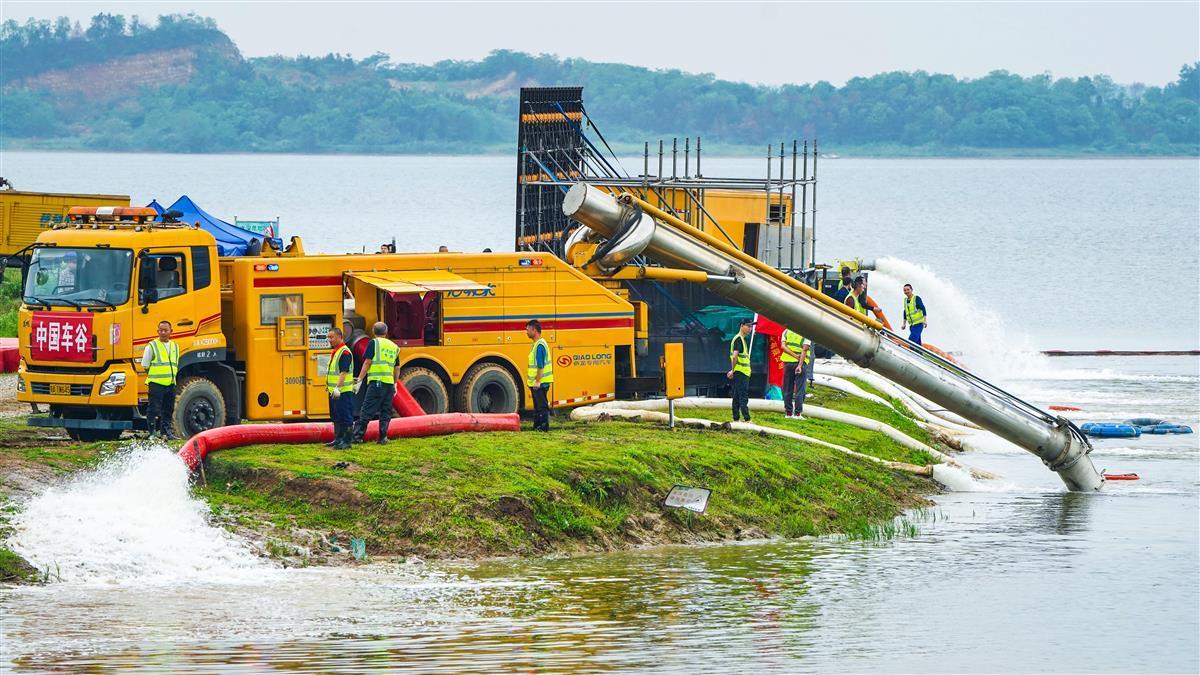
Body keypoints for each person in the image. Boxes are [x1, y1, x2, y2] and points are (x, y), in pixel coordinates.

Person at [351, 322, 400, 444]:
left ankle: (357, 437)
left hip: (376, 382)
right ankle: (383, 437)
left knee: (367, 409)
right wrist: (395, 383)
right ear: (386, 332)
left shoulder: (373, 343)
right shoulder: (394, 346)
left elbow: (367, 362)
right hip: (388, 384)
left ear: (373, 331)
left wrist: (359, 380)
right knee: (385, 410)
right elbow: (397, 367)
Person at [142, 320, 179, 440]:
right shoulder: (151, 346)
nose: (163, 332)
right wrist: (154, 377)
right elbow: (145, 365)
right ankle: (152, 433)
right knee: (154, 409)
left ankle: (166, 432)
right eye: (160, 330)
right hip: (156, 384)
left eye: (165, 330)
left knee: (168, 409)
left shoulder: (175, 347)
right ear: (157, 331)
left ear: (171, 331)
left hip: (171, 383)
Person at [324, 327, 355, 450]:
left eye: (331, 337)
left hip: (343, 392)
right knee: (336, 416)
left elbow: (343, 372)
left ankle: (347, 441)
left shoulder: (344, 353)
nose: (329, 340)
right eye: (328, 337)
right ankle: (338, 439)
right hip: (334, 391)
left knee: (345, 416)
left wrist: (337, 388)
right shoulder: (336, 352)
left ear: (339, 337)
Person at [525, 319, 553, 431]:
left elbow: (540, 366)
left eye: (527, 330)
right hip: (538, 383)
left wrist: (537, 382)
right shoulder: (536, 344)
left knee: (541, 407)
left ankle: (543, 428)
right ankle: (537, 428)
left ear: (534, 330)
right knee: (538, 407)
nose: (526, 332)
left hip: (540, 383)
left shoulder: (539, 346)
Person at [779, 327, 812, 419]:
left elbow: (783, 347)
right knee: (800, 389)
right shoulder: (806, 332)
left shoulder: (786, 331)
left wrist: (794, 356)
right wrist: (800, 365)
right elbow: (805, 349)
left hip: (788, 363)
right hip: (800, 364)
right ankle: (797, 413)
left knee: (787, 389)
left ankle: (788, 413)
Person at [727, 318, 753, 422]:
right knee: (743, 396)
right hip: (741, 372)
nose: (750, 328)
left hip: (741, 372)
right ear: (742, 326)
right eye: (748, 326)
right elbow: (735, 356)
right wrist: (733, 370)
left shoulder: (741, 339)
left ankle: (736, 418)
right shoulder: (739, 339)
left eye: (751, 326)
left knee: (737, 395)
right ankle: (747, 419)